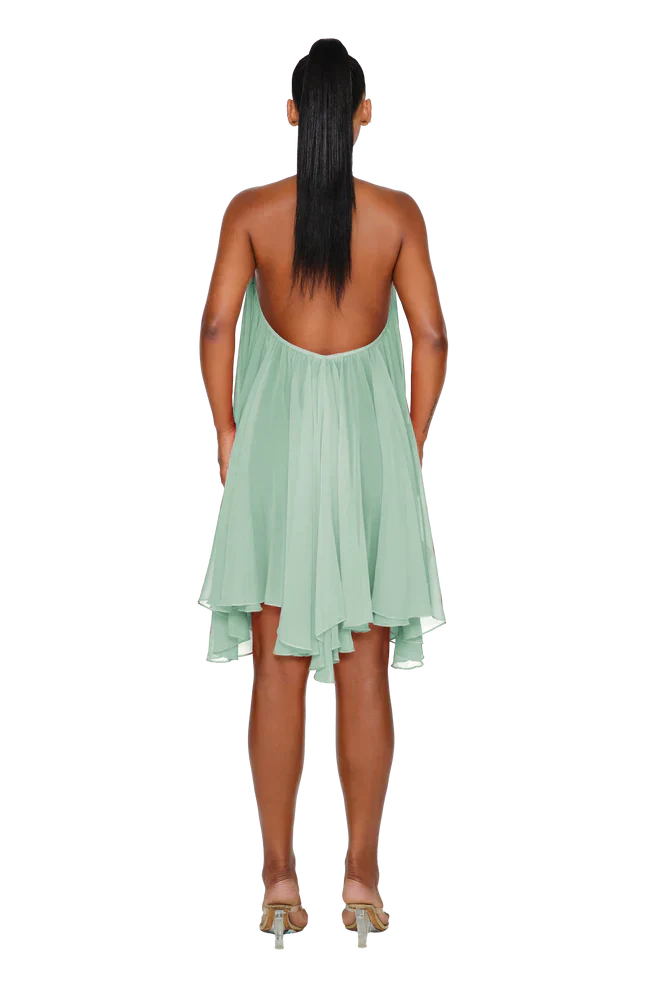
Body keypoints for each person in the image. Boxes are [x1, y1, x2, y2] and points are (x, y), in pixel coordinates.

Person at [198, 36, 448, 939]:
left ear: (293, 113)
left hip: (275, 444)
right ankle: (363, 881)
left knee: (275, 660)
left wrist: (228, 432)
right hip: (369, 443)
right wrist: (406, 439)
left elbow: (218, 327)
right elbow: (429, 339)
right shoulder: (396, 216)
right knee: (366, 664)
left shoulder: (252, 212)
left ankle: (276, 877)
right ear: (366, 114)